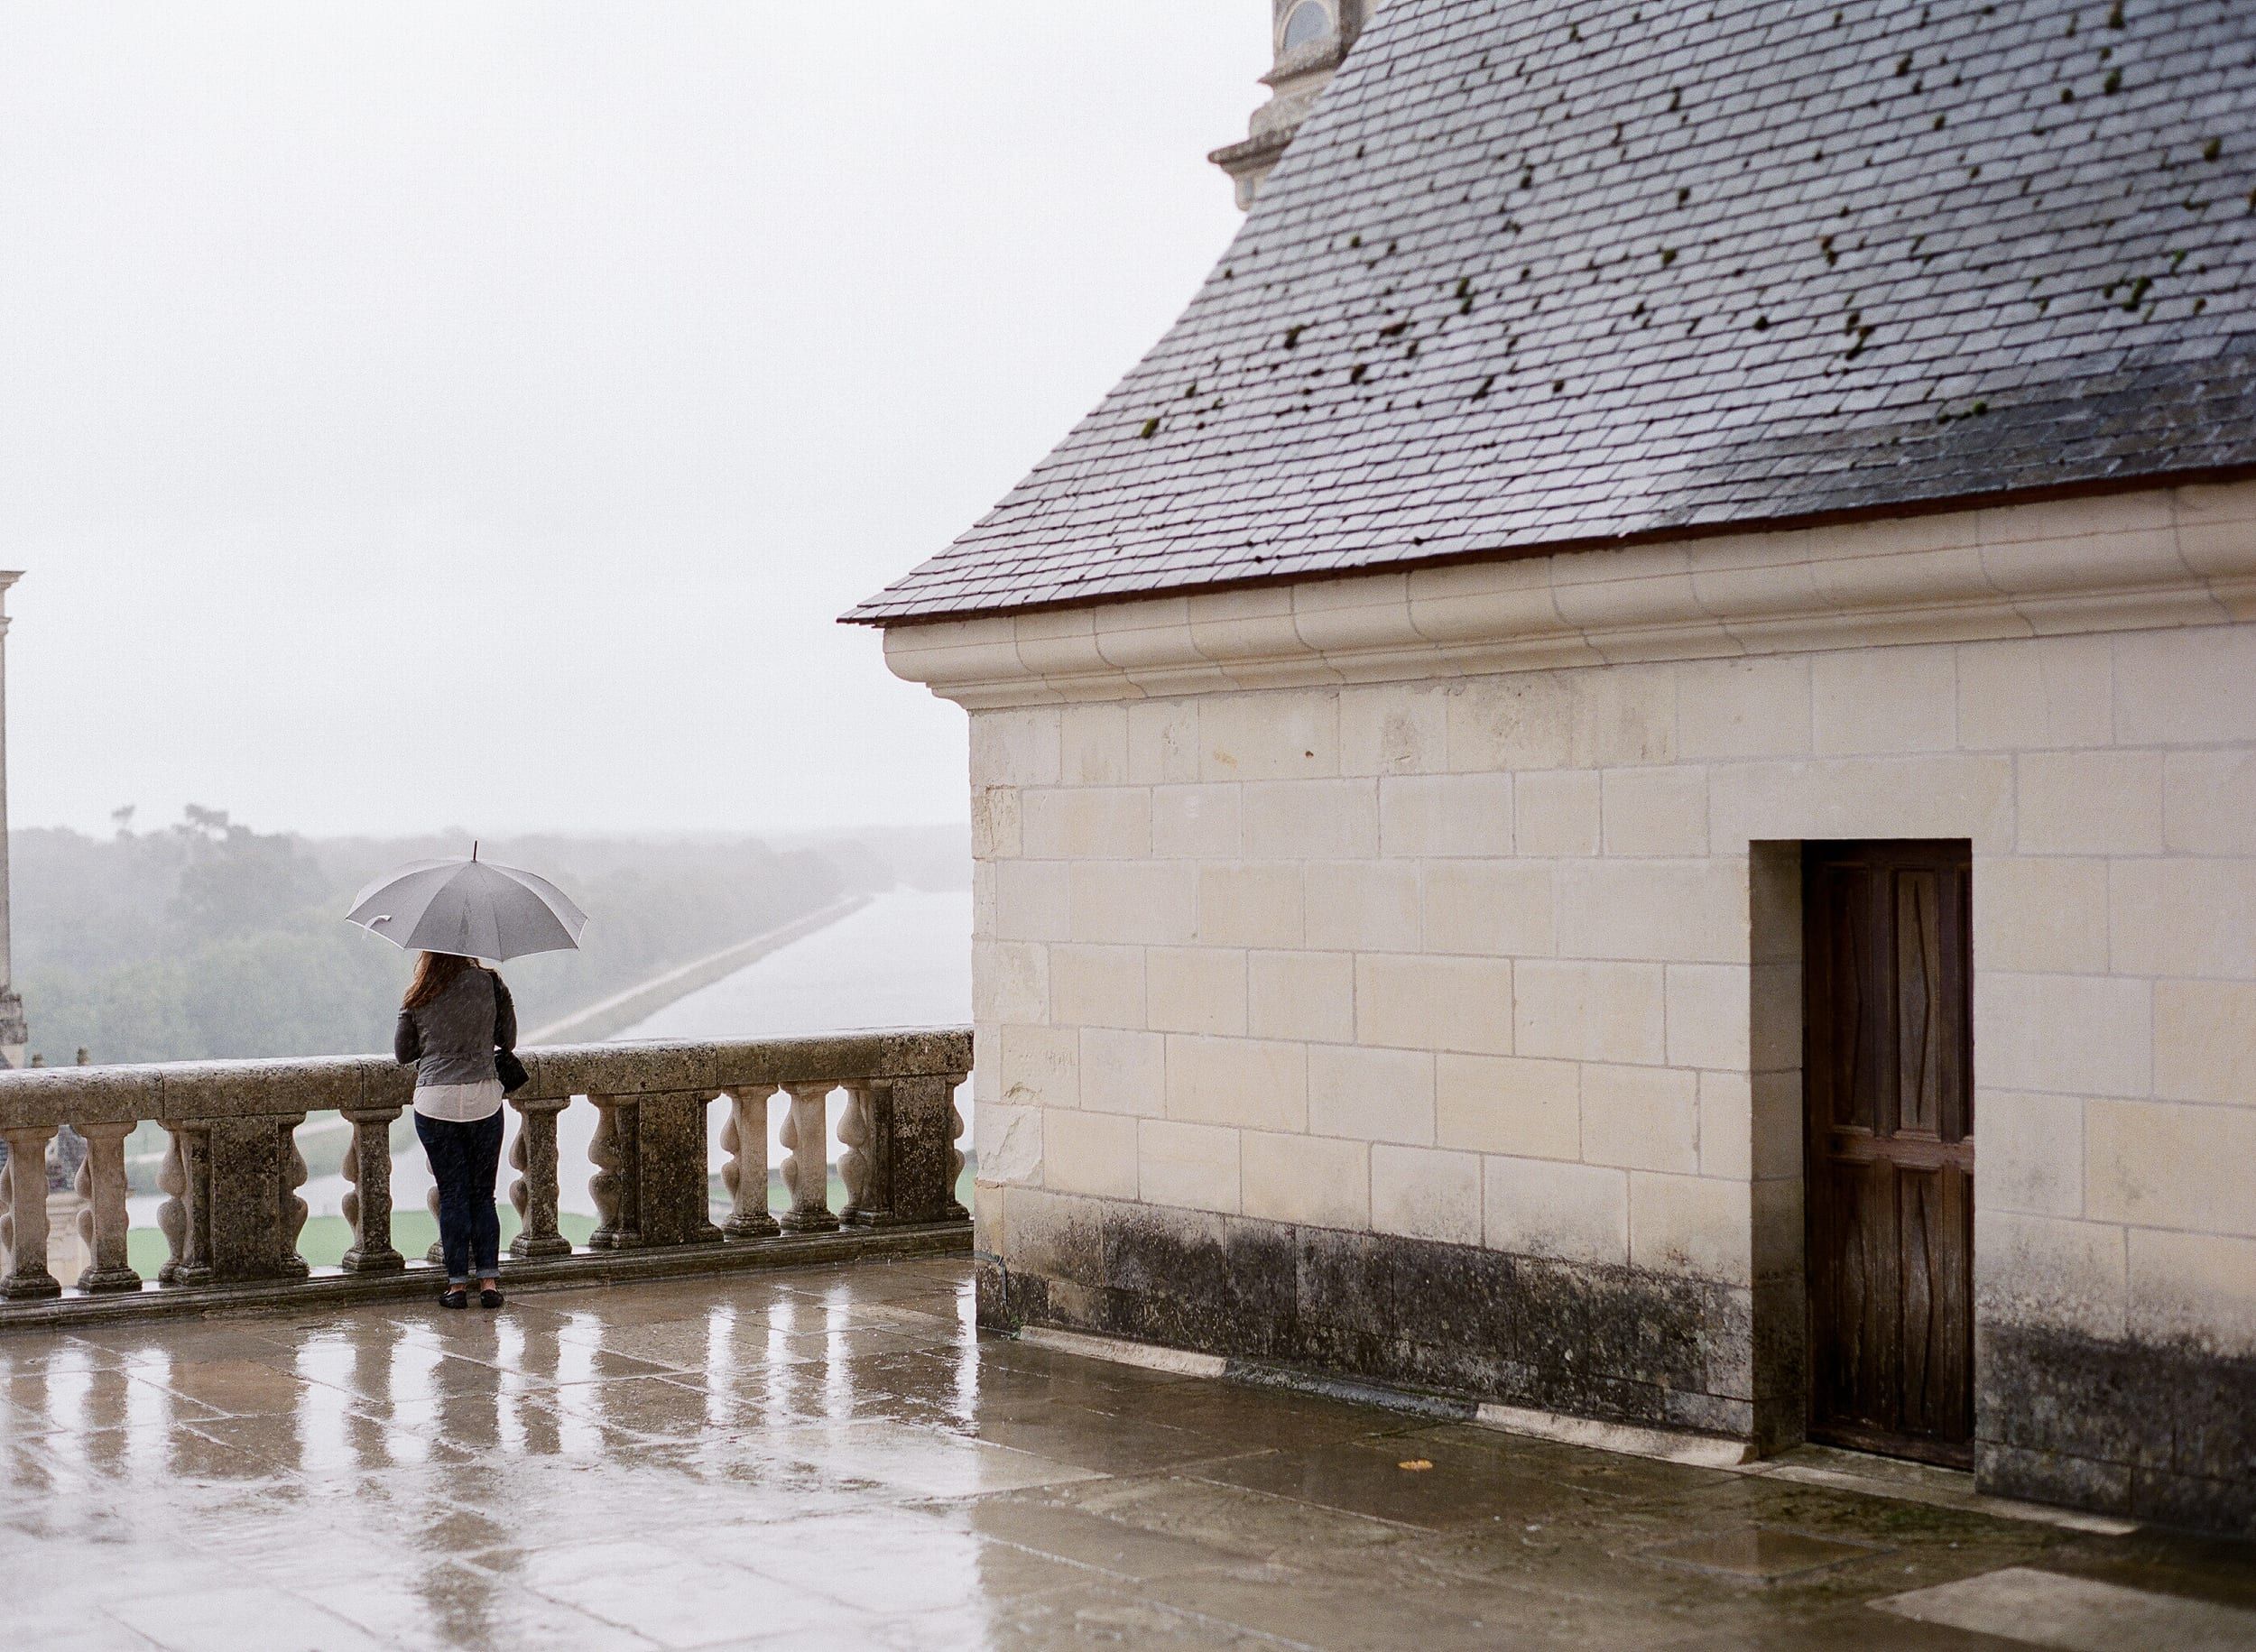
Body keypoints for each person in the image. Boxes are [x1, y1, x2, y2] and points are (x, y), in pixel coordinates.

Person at [394, 950, 517, 1309]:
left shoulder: (419, 992)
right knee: (483, 1195)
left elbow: (404, 1053)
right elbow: (506, 1040)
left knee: (452, 1195)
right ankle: (490, 1283)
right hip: (483, 1098)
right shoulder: (492, 983)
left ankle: (457, 1287)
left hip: (436, 1101)